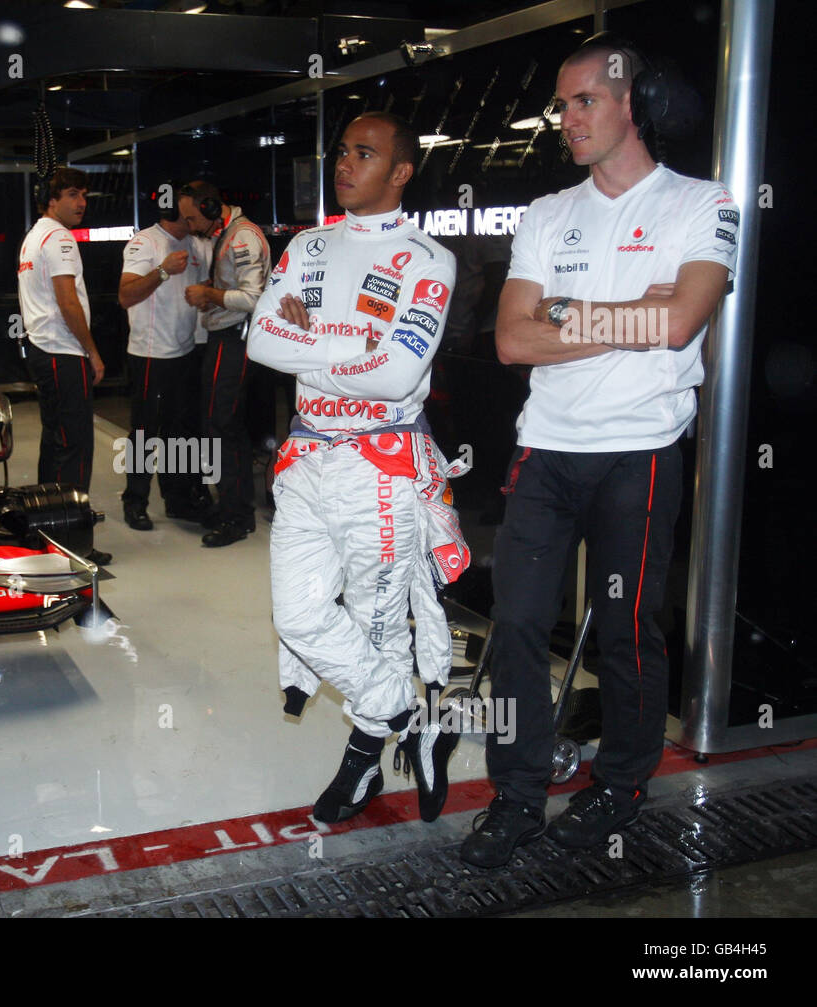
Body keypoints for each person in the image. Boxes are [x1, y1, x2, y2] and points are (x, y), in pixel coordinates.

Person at [459, 35, 740, 868]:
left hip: (640, 454)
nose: (567, 118)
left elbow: (681, 321)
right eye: (563, 104)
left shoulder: (701, 202)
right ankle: (515, 797)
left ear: (630, 102)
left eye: (584, 100)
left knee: (626, 629)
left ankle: (620, 785)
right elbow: (511, 340)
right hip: (546, 451)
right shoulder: (549, 213)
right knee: (514, 626)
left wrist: (571, 315)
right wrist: (631, 313)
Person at [248, 111, 468, 824]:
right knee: (301, 618)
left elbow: (399, 370)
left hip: (380, 467)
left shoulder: (429, 259)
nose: (345, 163)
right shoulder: (307, 244)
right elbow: (260, 339)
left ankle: (360, 767)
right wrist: (357, 359)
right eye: (343, 151)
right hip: (307, 456)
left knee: (379, 632)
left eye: (364, 154)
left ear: (401, 172)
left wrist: (314, 348)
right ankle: (414, 714)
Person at [18, 166, 111, 565]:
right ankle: (72, 543)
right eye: (72, 194)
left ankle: (45, 532)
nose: (81, 203)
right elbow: (68, 302)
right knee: (75, 449)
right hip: (63, 350)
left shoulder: (34, 236)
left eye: (84, 195)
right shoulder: (59, 238)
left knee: (54, 443)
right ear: (50, 200)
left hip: (45, 350)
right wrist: (92, 351)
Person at [179, 180, 271, 547]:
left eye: (190, 218)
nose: (188, 226)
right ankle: (231, 504)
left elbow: (255, 298)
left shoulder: (244, 236)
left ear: (210, 206)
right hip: (226, 338)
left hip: (236, 341)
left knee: (223, 425)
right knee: (218, 424)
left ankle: (238, 515)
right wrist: (213, 293)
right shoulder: (228, 232)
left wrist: (209, 294)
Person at [116, 184, 212, 529]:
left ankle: (178, 499)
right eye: (188, 211)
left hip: (186, 350)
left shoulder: (198, 245)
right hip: (150, 353)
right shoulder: (145, 243)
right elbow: (125, 296)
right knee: (145, 431)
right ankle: (135, 501)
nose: (195, 217)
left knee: (180, 432)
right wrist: (162, 271)